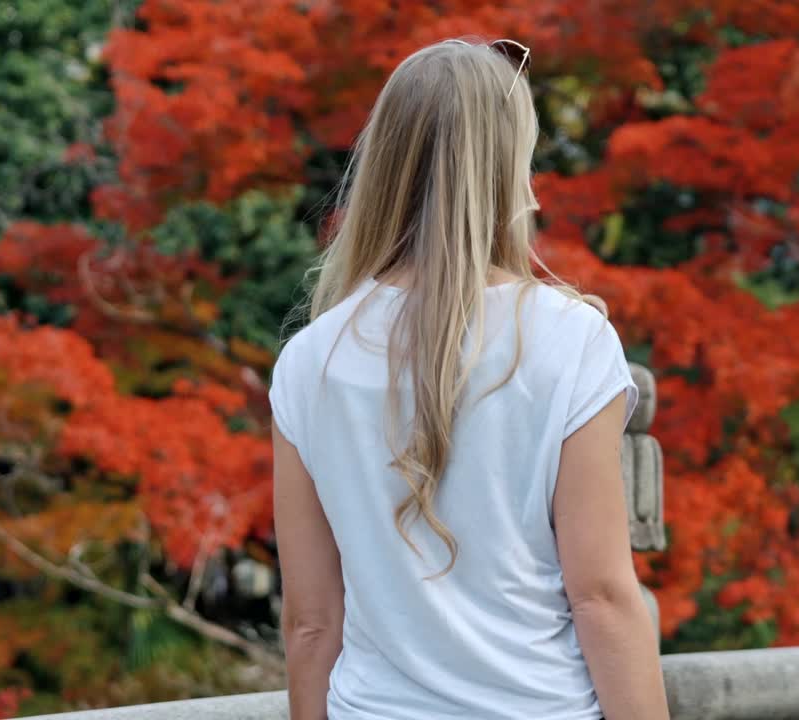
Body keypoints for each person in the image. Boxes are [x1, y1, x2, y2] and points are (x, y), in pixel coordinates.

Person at [268, 37, 669, 720]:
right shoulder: (571, 341)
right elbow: (600, 596)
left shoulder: (312, 360)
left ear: (384, 160)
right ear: (509, 165)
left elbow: (311, 622)